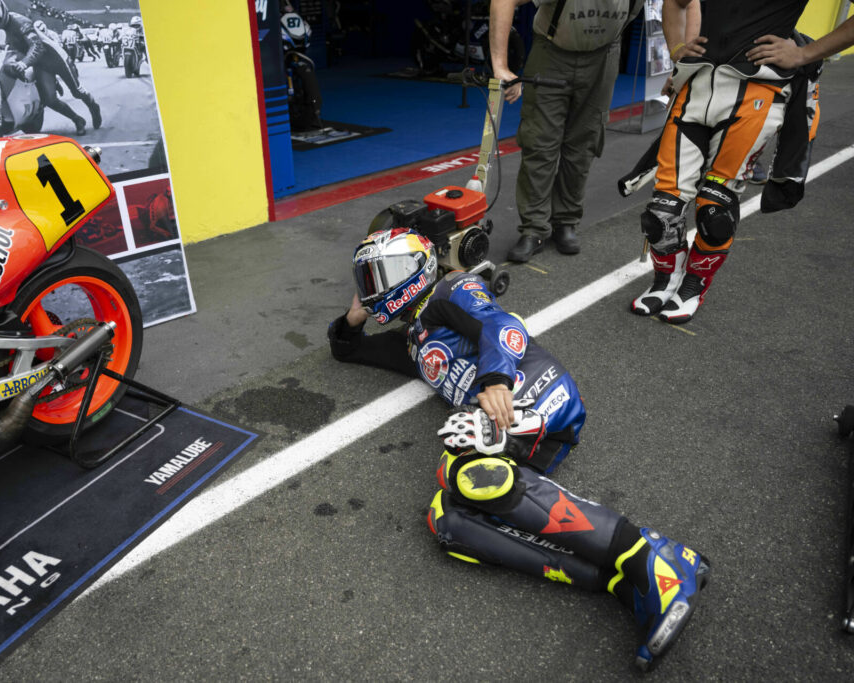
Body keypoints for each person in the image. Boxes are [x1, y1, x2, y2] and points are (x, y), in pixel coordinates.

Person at [327, 228, 710, 669]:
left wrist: (493, 380)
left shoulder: (450, 289)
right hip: (515, 429)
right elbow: (347, 351)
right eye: (368, 279)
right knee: (449, 521)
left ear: (417, 267)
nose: (374, 288)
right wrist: (355, 317)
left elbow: (502, 324)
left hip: (539, 389)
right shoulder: (412, 339)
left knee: (462, 466)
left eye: (381, 275)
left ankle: (649, 558)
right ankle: (622, 584)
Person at [623, 0, 826, 324]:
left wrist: (804, 54)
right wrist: (677, 51)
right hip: (697, 88)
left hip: (757, 93)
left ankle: (693, 285)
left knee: (714, 210)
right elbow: (675, 4)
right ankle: (664, 282)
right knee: (661, 211)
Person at [490, 0, 644, 263]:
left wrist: (680, 55)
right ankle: (534, 228)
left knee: (584, 142)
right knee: (540, 141)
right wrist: (500, 64)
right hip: (553, 52)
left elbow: (681, 5)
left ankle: (566, 220)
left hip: (604, 55)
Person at [0, 0, 102, 136]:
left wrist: (23, 63)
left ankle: (93, 106)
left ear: (3, 11)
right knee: (49, 99)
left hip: (55, 58)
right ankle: (78, 120)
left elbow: (37, 46)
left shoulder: (20, 22)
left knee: (77, 91)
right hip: (39, 64)